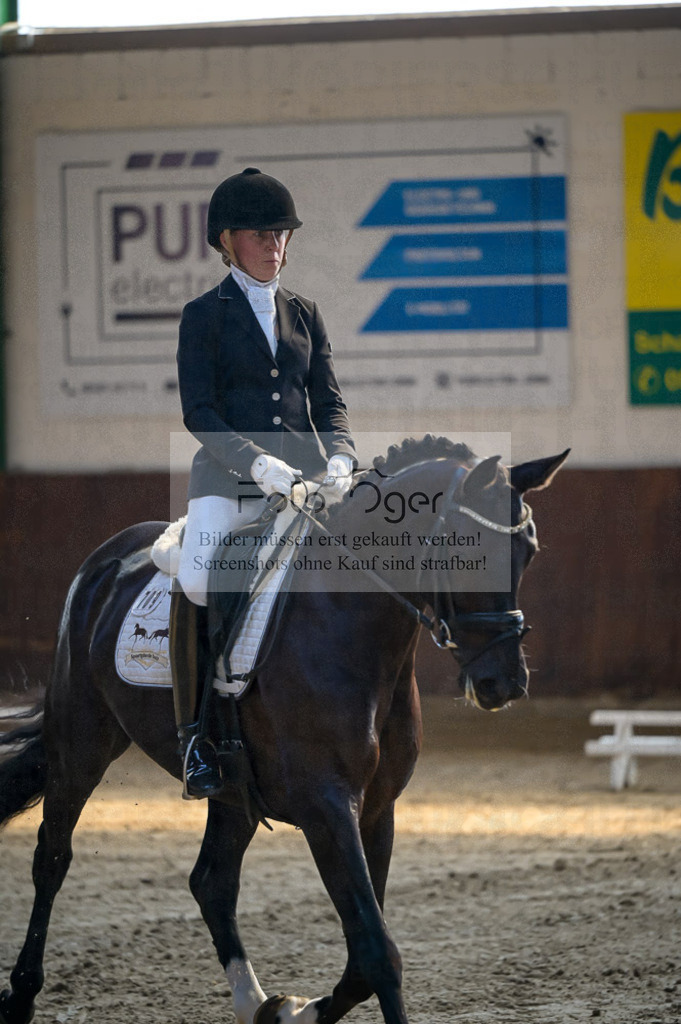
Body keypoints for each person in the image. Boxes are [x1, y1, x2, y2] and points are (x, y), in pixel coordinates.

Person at [171, 167, 356, 799]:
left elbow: (329, 404)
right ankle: (196, 734)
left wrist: (339, 459)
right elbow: (200, 412)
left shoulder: (305, 314)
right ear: (226, 241)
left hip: (304, 479)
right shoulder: (203, 316)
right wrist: (255, 462)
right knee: (198, 577)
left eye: (281, 233)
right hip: (227, 478)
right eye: (259, 233)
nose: (274, 245)